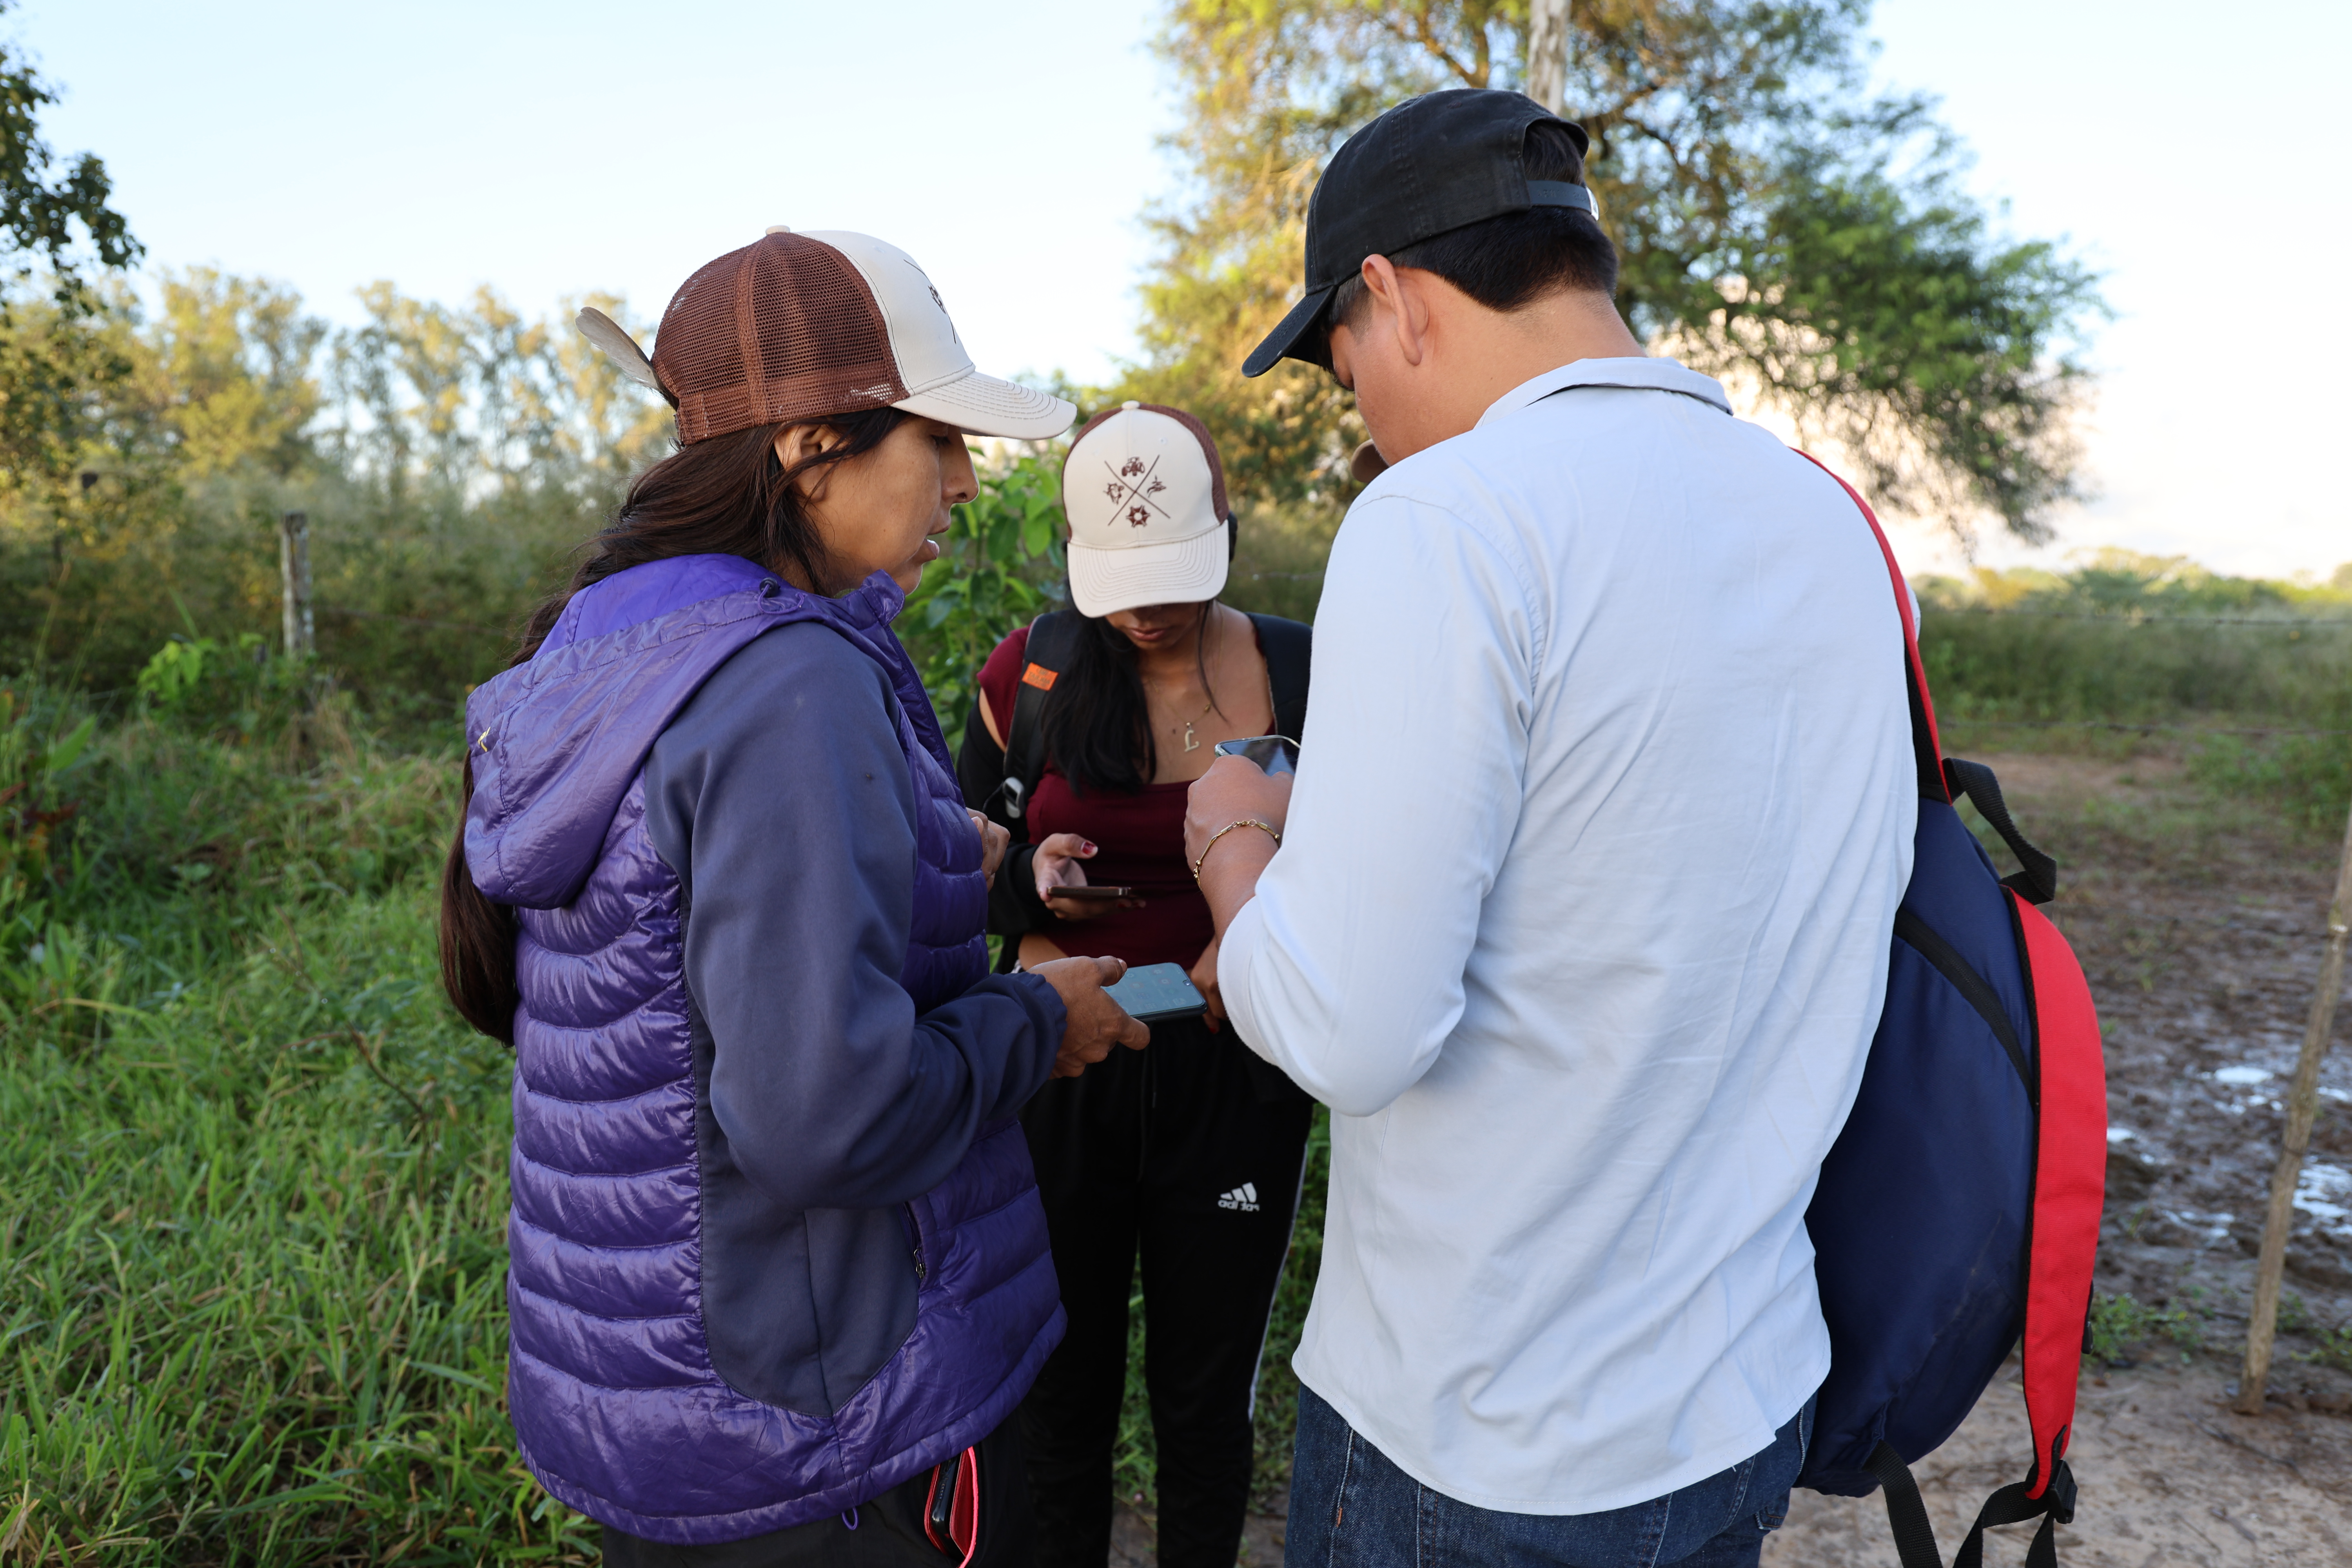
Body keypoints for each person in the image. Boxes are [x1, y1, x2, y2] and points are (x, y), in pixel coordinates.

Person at [1181, 90, 1918, 1567]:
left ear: (1389, 299)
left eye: (1341, 364)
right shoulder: (1826, 522)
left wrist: (1237, 849)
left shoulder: (1445, 519)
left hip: (1481, 1434)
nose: (1364, 414)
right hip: (1740, 1391)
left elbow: (1352, 1032)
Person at [436, 227, 1150, 1566]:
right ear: (808, 445)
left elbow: (669, 980)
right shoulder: (787, 683)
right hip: (817, 1420)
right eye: (935, 441)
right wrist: (1036, 1024)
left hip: (666, 1393)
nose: (966, 483)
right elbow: (830, 1118)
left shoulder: (612, 639)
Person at [955, 401, 1315, 1568]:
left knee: (1208, 1398)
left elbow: (1377, 856)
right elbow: (951, 867)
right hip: (1065, 1063)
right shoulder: (1034, 676)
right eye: (1121, 578)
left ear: (1227, 529)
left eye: (1175, 571)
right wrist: (1031, 889)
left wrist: (1253, 936)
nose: (1149, 605)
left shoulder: (1304, 669)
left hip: (1236, 1071)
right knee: (1064, 1388)